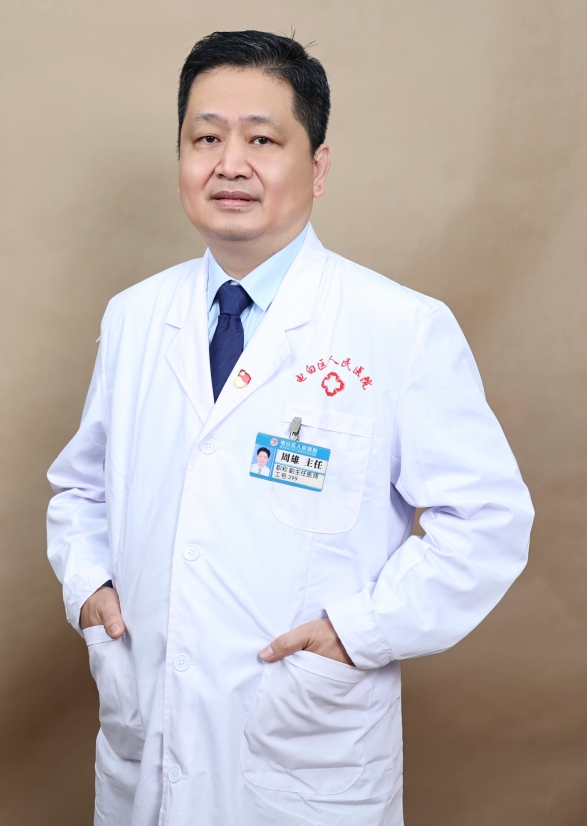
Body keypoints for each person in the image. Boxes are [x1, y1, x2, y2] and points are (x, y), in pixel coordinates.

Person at [46, 30, 534, 826]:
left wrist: (358, 631)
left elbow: (486, 521)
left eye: (262, 140)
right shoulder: (135, 316)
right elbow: (80, 488)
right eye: (206, 138)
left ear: (318, 166)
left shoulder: (399, 327)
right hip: (149, 723)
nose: (229, 164)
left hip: (300, 741)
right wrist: (89, 587)